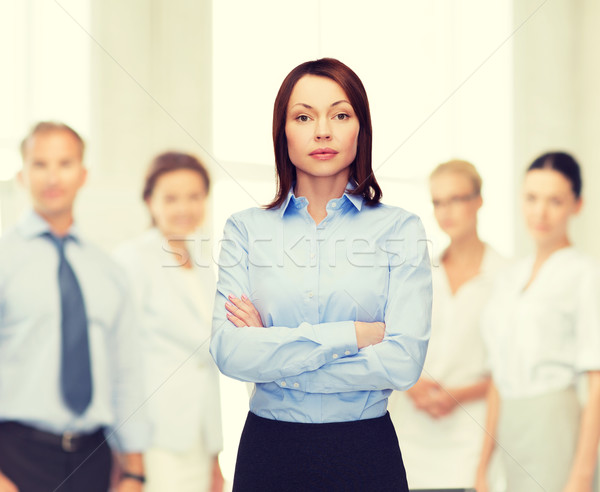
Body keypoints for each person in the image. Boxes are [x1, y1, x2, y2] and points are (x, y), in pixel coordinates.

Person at [209, 58, 432, 492]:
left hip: (366, 453)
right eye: (304, 116)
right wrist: (352, 334)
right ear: (283, 132)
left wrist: (275, 358)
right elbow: (230, 352)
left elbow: (403, 363)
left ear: (360, 130)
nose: (323, 130)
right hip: (269, 453)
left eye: (340, 114)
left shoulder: (400, 230)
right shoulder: (245, 229)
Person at [0, 122, 148, 492]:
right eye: (40, 164)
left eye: (65, 163)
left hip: (93, 460)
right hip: (15, 458)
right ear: (21, 174)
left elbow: (125, 371)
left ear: (83, 174)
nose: (53, 176)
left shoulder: (109, 271)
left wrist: (134, 470)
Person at [475, 152, 600, 492]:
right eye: (531, 198)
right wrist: (482, 467)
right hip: (510, 430)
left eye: (555, 201)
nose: (540, 212)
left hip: (556, 425)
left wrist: (582, 476)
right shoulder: (508, 278)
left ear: (577, 205)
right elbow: (497, 379)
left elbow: (597, 381)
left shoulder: (586, 275)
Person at [389, 159, 506, 489]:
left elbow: (509, 367)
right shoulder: (417, 273)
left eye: (456, 199)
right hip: (411, 437)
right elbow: (391, 343)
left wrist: (461, 394)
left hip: (471, 441)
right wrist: (410, 385)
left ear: (479, 200)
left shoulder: (507, 276)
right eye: (438, 202)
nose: (446, 211)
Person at [114, 152, 224, 492]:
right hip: (154, 437)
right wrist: (130, 458)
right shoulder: (131, 260)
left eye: (194, 197)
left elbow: (207, 358)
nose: (184, 208)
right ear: (149, 201)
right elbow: (119, 361)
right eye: (171, 198)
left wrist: (214, 455)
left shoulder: (204, 261)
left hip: (200, 436)